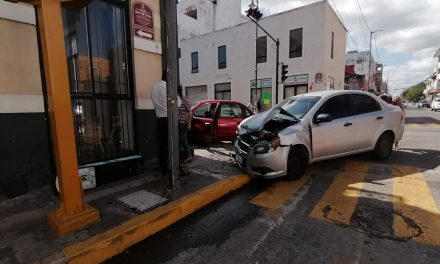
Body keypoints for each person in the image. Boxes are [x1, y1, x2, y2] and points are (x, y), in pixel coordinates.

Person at [151, 71, 170, 181]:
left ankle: (164, 169)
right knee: (172, 144)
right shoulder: (168, 87)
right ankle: (172, 167)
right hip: (168, 119)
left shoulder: (154, 88)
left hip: (159, 119)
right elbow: (179, 102)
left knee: (162, 145)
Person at [177, 85, 192, 164]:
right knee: (183, 140)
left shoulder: (184, 99)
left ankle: (179, 158)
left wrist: (189, 124)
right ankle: (188, 156)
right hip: (179, 123)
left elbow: (190, 112)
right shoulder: (177, 99)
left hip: (182, 123)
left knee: (180, 141)